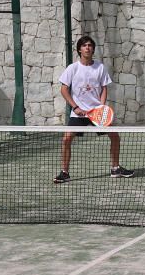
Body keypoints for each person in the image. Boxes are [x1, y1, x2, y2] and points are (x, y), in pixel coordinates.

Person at [53, 35, 135, 183]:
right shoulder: (73, 68)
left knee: (115, 136)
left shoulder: (100, 67)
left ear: (93, 49)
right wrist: (75, 107)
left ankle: (115, 169)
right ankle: (64, 172)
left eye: (90, 45)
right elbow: (64, 89)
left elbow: (104, 88)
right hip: (78, 113)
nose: (87, 47)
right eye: (84, 45)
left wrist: (101, 108)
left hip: (97, 114)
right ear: (79, 49)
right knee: (66, 139)